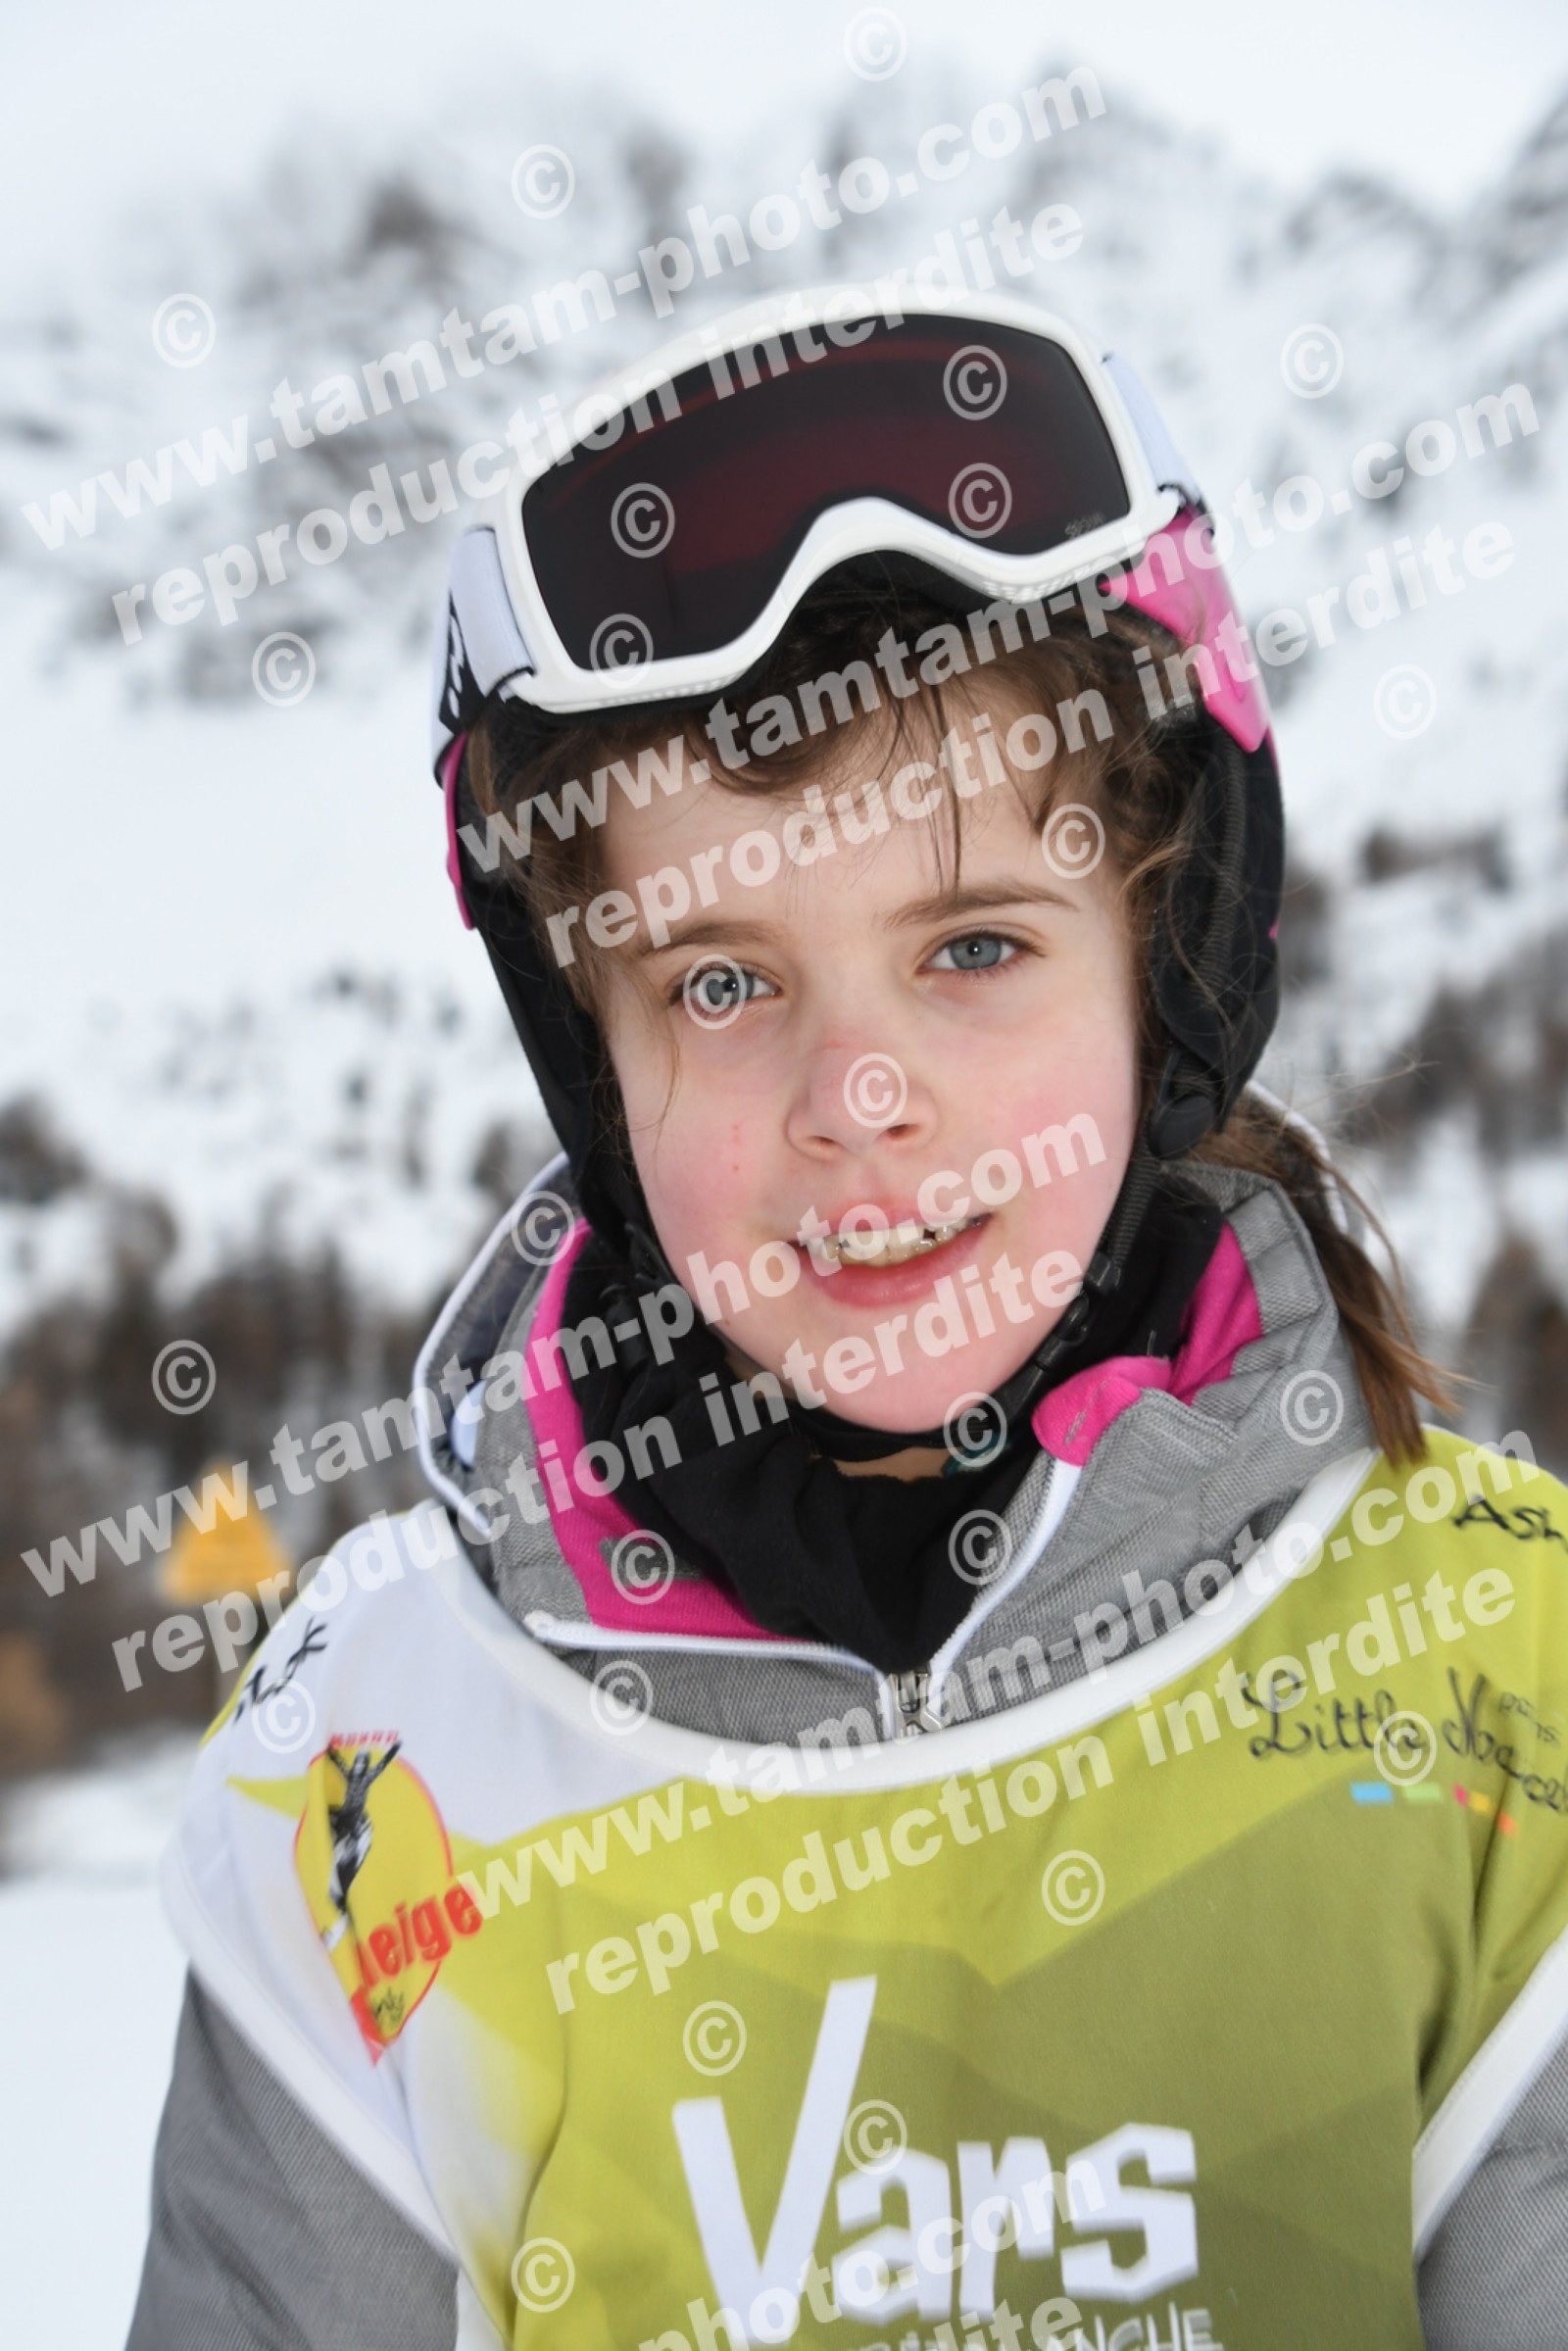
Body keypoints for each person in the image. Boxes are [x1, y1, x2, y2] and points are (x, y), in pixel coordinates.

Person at [129, 288, 1568, 2351]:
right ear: (594, 1057)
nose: (856, 1097)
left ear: (1161, 970)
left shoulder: (1505, 1678)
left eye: (972, 945)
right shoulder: (380, 1763)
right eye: (718, 982)